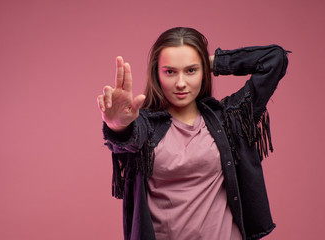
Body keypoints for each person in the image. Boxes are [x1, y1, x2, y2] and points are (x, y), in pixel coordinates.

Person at [97, 27, 289, 240]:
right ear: (156, 74)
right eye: (170, 71)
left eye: (191, 70)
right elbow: (127, 139)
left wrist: (213, 62)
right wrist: (117, 125)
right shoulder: (145, 125)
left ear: (203, 72)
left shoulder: (227, 119)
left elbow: (274, 59)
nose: (181, 83)